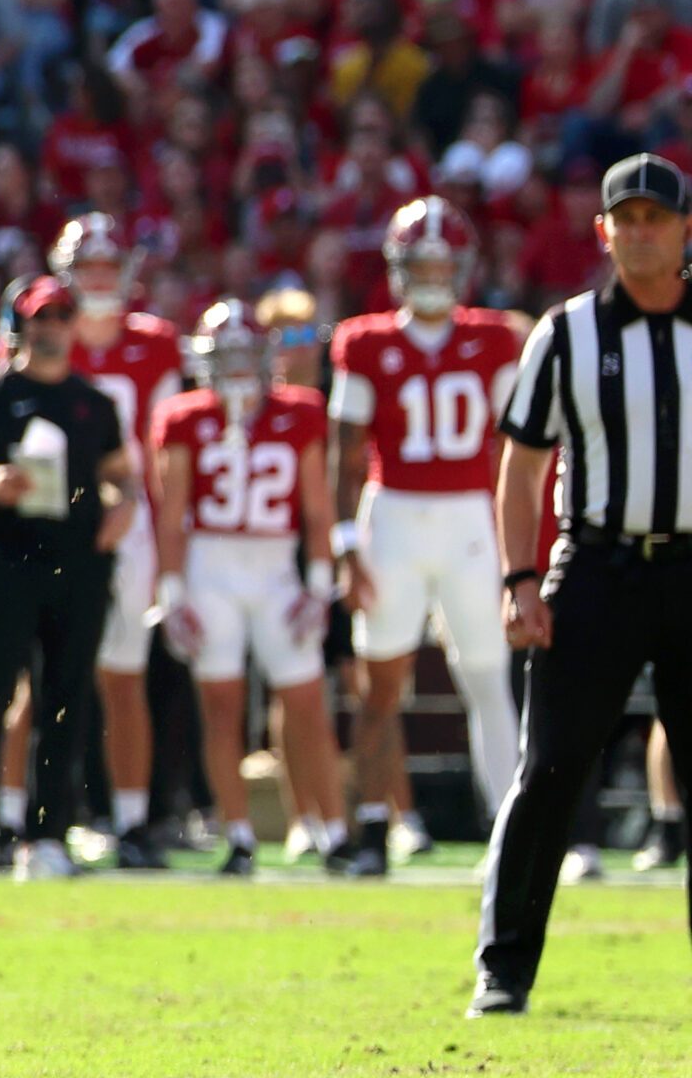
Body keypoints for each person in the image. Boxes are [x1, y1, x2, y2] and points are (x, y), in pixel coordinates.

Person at [475, 153, 692, 1017]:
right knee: (552, 766)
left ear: (683, 230)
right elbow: (521, 468)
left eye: (656, 218)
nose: (640, 233)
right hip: (596, 564)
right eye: (624, 219)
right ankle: (504, 966)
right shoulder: (564, 333)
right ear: (603, 232)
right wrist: (520, 578)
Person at [328, 199, 525, 877]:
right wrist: (345, 543)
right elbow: (346, 450)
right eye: (423, 262)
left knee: (489, 677)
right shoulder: (364, 340)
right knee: (381, 685)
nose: (435, 274)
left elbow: (516, 449)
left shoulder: (498, 336)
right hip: (396, 514)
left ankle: (509, 831)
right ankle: (374, 830)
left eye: (444, 262)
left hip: (471, 514)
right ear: (399, 269)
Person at [0, 276, 134, 879]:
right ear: (18, 326)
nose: (50, 330)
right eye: (39, 319)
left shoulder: (94, 404)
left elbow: (121, 477)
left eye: (60, 317)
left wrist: (121, 509)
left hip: (77, 566)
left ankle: (47, 833)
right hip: (10, 563)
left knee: (66, 701)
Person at [151, 301, 346, 877]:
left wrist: (319, 585)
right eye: (226, 356)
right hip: (211, 565)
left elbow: (317, 508)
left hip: (276, 567)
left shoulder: (302, 410)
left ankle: (334, 832)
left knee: (307, 702)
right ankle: (238, 836)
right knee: (220, 706)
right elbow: (172, 514)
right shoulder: (184, 416)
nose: (236, 368)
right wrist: (171, 594)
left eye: (246, 355)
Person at [52, 214, 181, 868]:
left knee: (124, 678)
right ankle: (28, 818)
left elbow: (164, 456)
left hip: (131, 526)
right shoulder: (47, 335)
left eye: (109, 266)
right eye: (89, 266)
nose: (99, 278)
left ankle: (130, 818)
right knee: (43, 680)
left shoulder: (155, 344)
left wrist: (161, 532)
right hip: (53, 524)